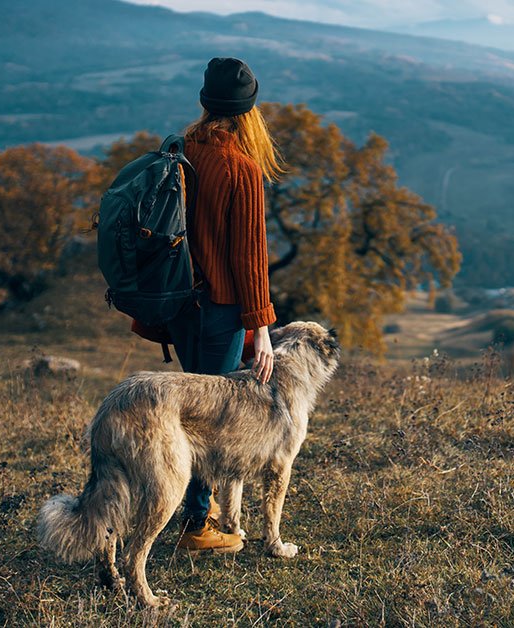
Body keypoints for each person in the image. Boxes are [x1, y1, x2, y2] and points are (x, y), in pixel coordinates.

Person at [169, 57, 283, 553]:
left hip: (176, 303)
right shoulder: (240, 166)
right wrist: (261, 329)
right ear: (248, 112)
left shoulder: (179, 149)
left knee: (185, 412)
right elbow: (250, 257)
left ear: (204, 102)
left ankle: (189, 503)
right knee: (211, 420)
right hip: (218, 308)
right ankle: (197, 526)